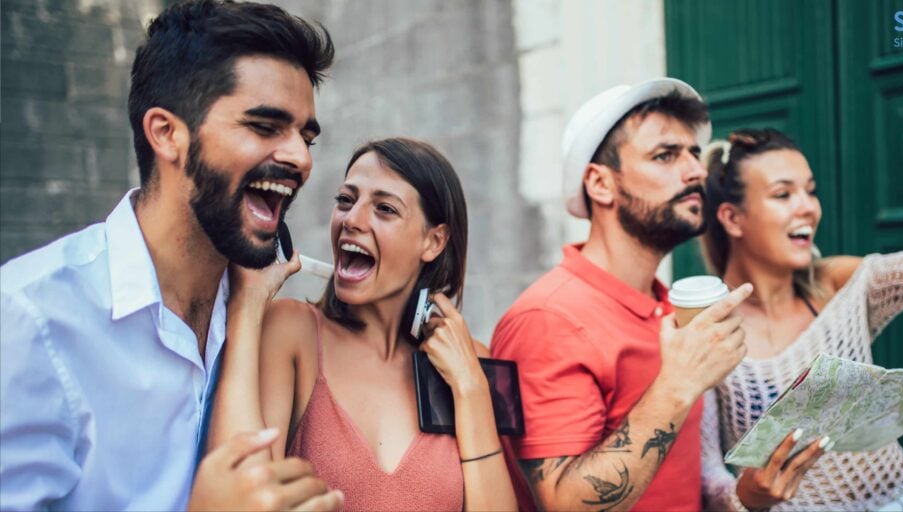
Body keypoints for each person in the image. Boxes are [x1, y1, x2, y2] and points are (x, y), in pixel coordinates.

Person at [0, 1, 342, 510]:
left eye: (305, 135)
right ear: (166, 133)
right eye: (265, 126)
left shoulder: (259, 310)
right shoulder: (30, 318)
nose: (301, 158)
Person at [490, 78, 820, 512]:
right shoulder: (550, 318)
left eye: (693, 154)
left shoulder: (668, 305)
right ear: (601, 184)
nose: (696, 172)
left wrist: (747, 495)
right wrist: (679, 384)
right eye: (665, 155)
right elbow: (565, 504)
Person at [698, 128, 903, 511]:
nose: (808, 207)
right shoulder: (709, 329)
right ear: (732, 218)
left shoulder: (836, 285)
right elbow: (706, 474)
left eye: (810, 190)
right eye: (783, 194)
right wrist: (743, 497)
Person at [209, 138, 518, 510]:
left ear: (434, 241)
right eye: (345, 200)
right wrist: (248, 306)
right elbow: (238, 492)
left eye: (384, 209)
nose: (352, 220)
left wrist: (470, 389)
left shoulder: (468, 364)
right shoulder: (293, 332)